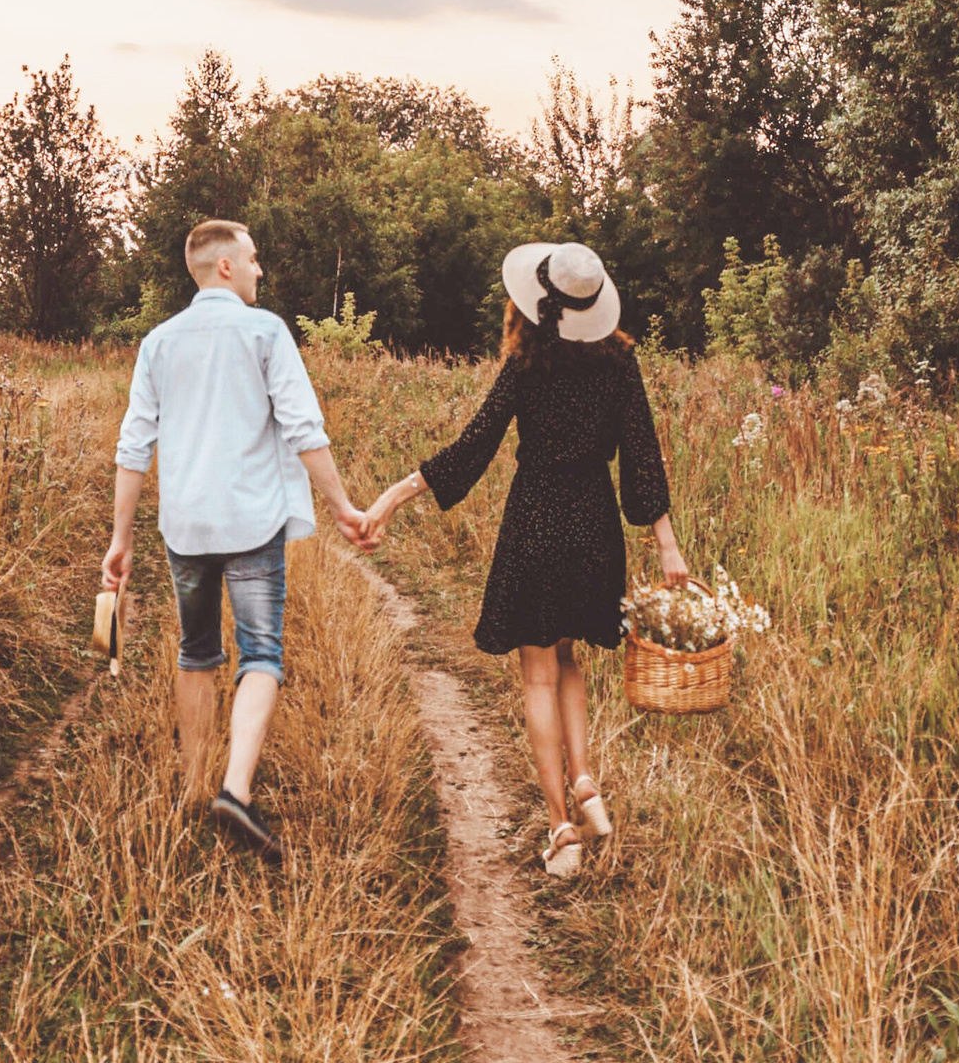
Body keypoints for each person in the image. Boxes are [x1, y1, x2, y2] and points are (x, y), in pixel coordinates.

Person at [356, 238, 687, 878]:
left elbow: (472, 447)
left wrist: (394, 497)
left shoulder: (528, 363)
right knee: (568, 657)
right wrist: (667, 545)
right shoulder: (621, 366)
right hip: (593, 528)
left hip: (536, 522)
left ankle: (562, 827)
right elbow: (643, 459)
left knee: (538, 672)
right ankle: (585, 777)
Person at [101, 217, 371, 859]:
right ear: (224, 266)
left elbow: (134, 446)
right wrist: (342, 506)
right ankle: (234, 789)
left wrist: (121, 539)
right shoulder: (264, 331)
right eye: (252, 259)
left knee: (196, 650)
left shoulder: (159, 343)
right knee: (262, 655)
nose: (259, 269)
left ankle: (197, 785)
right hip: (252, 522)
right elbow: (305, 428)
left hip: (186, 527)